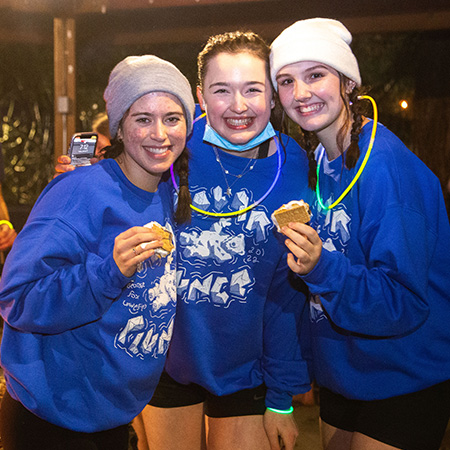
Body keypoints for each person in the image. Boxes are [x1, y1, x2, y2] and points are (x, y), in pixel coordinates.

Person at [54, 31, 313, 450]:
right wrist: (77, 184)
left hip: (246, 369)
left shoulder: (294, 162)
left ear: (273, 94)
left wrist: (282, 396)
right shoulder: (172, 141)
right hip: (165, 361)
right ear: (200, 96)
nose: (239, 105)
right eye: (221, 90)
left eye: (253, 89)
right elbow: (115, 192)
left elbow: (285, 290)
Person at [270, 18, 450, 450]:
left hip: (405, 375)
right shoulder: (319, 159)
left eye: (316, 76)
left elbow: (403, 300)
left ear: (348, 83)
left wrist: (322, 267)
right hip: (342, 375)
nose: (301, 93)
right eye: (286, 81)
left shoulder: (386, 166)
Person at [0, 54, 195, 450]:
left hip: (110, 414)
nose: (160, 133)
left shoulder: (170, 193)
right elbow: (16, 297)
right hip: (52, 419)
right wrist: (106, 273)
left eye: (172, 118)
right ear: (120, 126)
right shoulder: (80, 191)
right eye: (143, 119)